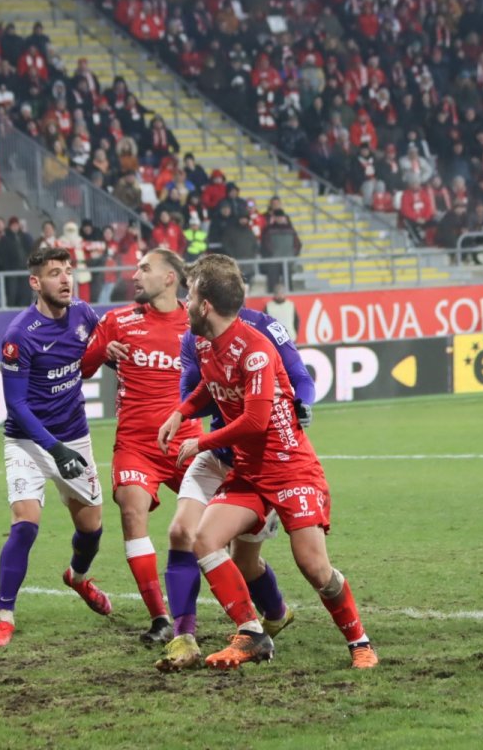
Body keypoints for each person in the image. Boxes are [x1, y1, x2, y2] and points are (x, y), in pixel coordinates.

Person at [157, 255, 376, 670]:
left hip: (290, 468)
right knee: (203, 539)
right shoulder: (204, 342)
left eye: (190, 296)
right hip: (250, 471)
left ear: (206, 305)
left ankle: (360, 643)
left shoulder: (256, 349)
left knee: (314, 567)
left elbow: (255, 422)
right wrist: (180, 413)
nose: (184, 303)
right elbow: (210, 385)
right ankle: (252, 633)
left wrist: (200, 441)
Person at [156, 288, 316, 672]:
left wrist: (300, 403)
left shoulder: (264, 330)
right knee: (182, 532)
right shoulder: (196, 337)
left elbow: (300, 378)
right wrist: (187, 410)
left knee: (244, 563)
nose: (187, 302)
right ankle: (184, 637)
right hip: (217, 453)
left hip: (262, 464)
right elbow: (194, 391)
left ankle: (275, 613)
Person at [0, 247, 111, 649]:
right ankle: (4, 617)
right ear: (35, 283)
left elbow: (101, 352)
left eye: (68, 271)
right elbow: (17, 405)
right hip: (28, 441)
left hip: (75, 436)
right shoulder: (19, 335)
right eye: (55, 273)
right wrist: (54, 450)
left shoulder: (84, 314)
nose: (66, 279)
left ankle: (77, 577)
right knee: (25, 524)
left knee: (91, 529)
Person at [79, 250, 200, 645]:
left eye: (145, 268)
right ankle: (160, 618)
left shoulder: (196, 322)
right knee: (132, 512)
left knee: (221, 523)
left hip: (186, 441)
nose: (135, 275)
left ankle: (254, 608)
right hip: (136, 445)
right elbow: (82, 367)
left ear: (169, 278)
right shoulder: (117, 321)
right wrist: (102, 352)